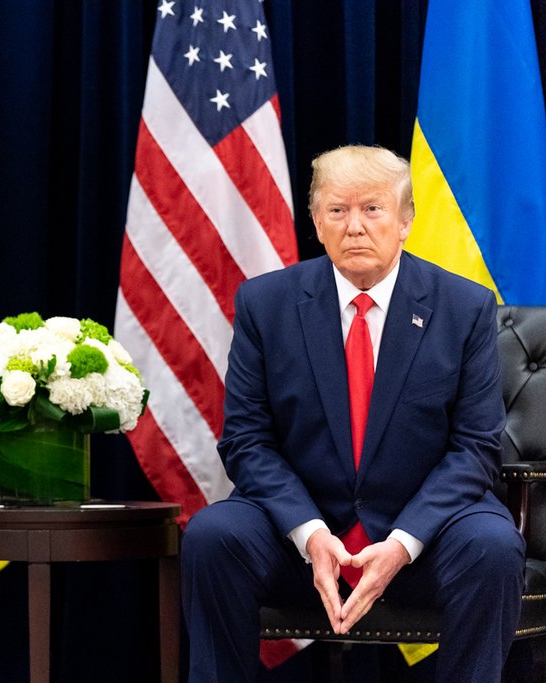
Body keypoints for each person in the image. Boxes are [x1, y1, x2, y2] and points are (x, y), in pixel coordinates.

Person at [181, 145, 524, 682]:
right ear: (317, 222)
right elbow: (247, 439)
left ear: (406, 220)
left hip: (422, 536)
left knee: (494, 548)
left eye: (373, 209)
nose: (355, 227)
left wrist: (403, 543)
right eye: (338, 211)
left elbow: (475, 447)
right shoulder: (265, 304)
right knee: (211, 536)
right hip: (301, 535)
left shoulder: (464, 307)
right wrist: (310, 532)